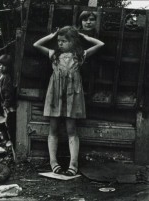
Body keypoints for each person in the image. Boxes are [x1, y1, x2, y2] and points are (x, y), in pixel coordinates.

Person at [33, 26, 104, 176]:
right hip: (55, 96)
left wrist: (84, 36)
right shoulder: (53, 55)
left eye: (63, 41)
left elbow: (100, 44)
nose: (60, 43)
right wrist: (52, 35)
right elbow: (36, 45)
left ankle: (73, 163)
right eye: (58, 41)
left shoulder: (80, 55)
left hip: (72, 96)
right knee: (53, 129)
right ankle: (53, 162)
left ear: (72, 42)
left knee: (72, 130)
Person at [0, 54, 16, 148]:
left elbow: (8, 93)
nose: (1, 67)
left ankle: (11, 141)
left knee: (8, 122)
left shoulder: (7, 78)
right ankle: (5, 139)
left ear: (8, 67)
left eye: (4, 65)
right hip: (1, 103)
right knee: (0, 121)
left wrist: (6, 104)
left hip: (7, 104)